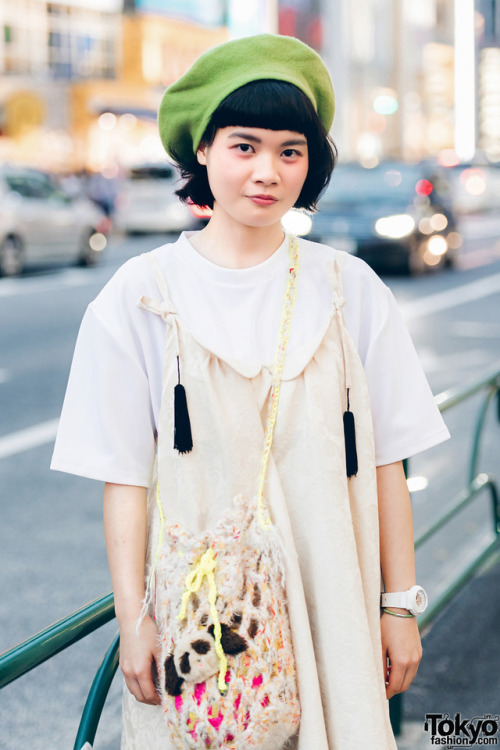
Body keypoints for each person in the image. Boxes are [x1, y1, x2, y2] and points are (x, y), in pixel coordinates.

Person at [51, 34, 450, 750]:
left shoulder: (347, 289)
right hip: (206, 629)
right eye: (244, 147)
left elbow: (390, 457)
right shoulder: (139, 298)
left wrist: (399, 606)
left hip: (338, 604)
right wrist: (132, 619)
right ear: (202, 152)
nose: (267, 171)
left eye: (290, 151)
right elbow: (122, 477)